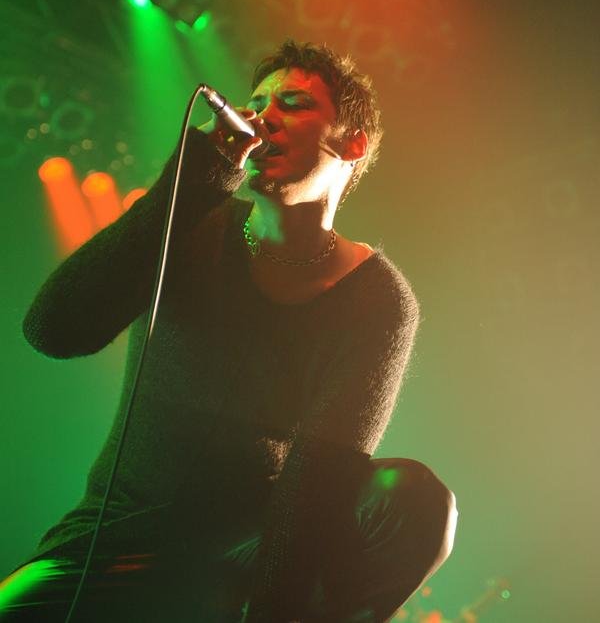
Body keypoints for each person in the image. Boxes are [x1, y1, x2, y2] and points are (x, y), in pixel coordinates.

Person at [0, 40, 457, 622]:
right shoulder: (196, 224)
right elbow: (54, 331)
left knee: (411, 500)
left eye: (293, 103)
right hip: (113, 539)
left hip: (244, 548)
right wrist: (192, 182)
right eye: (257, 103)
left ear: (352, 143)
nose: (263, 116)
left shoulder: (379, 299)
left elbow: (322, 477)